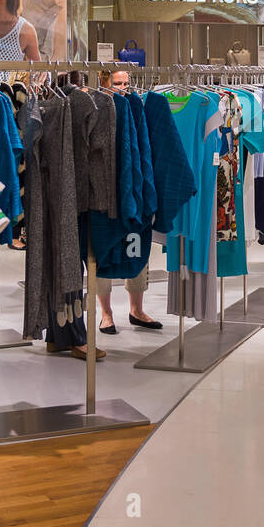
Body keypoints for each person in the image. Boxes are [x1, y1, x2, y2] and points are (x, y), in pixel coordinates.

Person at [97, 68, 163, 333]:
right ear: (104, 84)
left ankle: (136, 310)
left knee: (137, 249)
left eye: (126, 83)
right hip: (103, 197)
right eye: (117, 83)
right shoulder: (98, 108)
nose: (123, 87)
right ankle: (106, 314)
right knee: (103, 252)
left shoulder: (137, 106)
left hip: (135, 191)